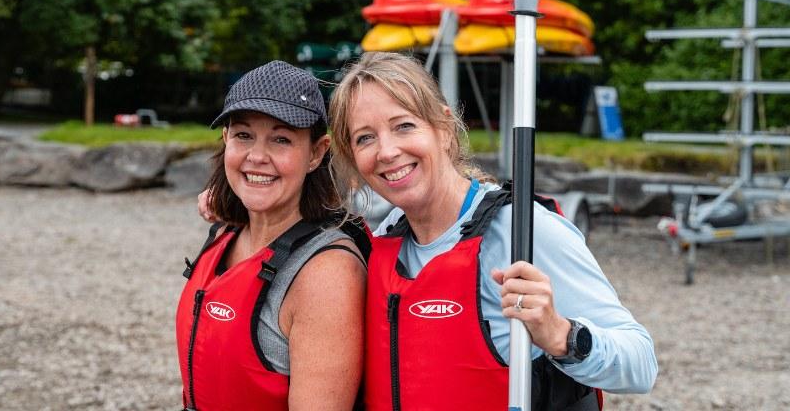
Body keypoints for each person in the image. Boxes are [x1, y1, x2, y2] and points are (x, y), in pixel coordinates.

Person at [327, 51, 657, 410]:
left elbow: (641, 364)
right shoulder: (387, 238)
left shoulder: (523, 232)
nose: (387, 151)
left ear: (444, 129)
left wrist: (560, 334)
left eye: (404, 126)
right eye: (365, 138)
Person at [177, 60, 368, 411]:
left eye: (281, 139)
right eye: (243, 135)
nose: (256, 157)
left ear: (316, 152)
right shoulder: (226, 233)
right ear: (226, 139)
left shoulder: (326, 275)